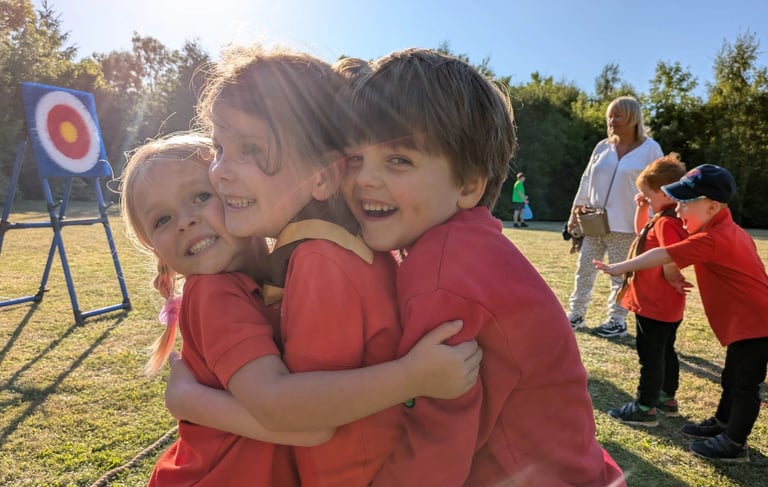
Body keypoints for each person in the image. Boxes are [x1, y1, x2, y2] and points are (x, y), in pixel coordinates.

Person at [162, 46, 482, 486]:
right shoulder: (335, 244)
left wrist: (412, 378)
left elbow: (294, 413)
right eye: (219, 147)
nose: (219, 171)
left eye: (250, 149)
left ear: (322, 177)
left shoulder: (319, 259)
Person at [341, 48, 625, 486]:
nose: (363, 178)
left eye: (398, 160)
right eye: (354, 158)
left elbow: (437, 448)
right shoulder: (467, 245)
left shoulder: (441, 272)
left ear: (469, 184)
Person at [119, 133, 332, 485]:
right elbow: (304, 426)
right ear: (157, 251)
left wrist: (189, 399)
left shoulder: (287, 269)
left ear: (239, 197)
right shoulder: (212, 293)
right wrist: (409, 376)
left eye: (201, 197)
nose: (185, 222)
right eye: (162, 220)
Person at [594, 163, 768, 463]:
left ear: (712, 206)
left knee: (744, 384)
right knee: (733, 376)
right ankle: (723, 423)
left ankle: (735, 442)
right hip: (749, 322)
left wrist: (618, 267)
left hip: (756, 323)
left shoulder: (715, 238)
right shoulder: (727, 230)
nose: (678, 209)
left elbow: (663, 254)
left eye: (685, 203)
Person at [566, 95, 663, 338]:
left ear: (633, 118)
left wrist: (653, 220)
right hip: (594, 221)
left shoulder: (651, 150)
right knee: (584, 270)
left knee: (620, 274)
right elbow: (586, 179)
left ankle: (616, 320)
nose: (612, 120)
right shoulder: (602, 146)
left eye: (617, 115)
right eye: (610, 115)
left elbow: (659, 186)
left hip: (628, 224)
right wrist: (575, 211)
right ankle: (575, 313)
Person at [606, 154, 689, 427]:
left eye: (648, 196)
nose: (645, 200)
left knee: (650, 356)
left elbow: (669, 255)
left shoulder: (667, 223)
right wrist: (642, 208)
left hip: (655, 303)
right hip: (666, 305)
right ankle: (667, 397)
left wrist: (673, 276)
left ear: (665, 192)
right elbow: (642, 232)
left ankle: (645, 407)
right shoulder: (664, 219)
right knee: (666, 351)